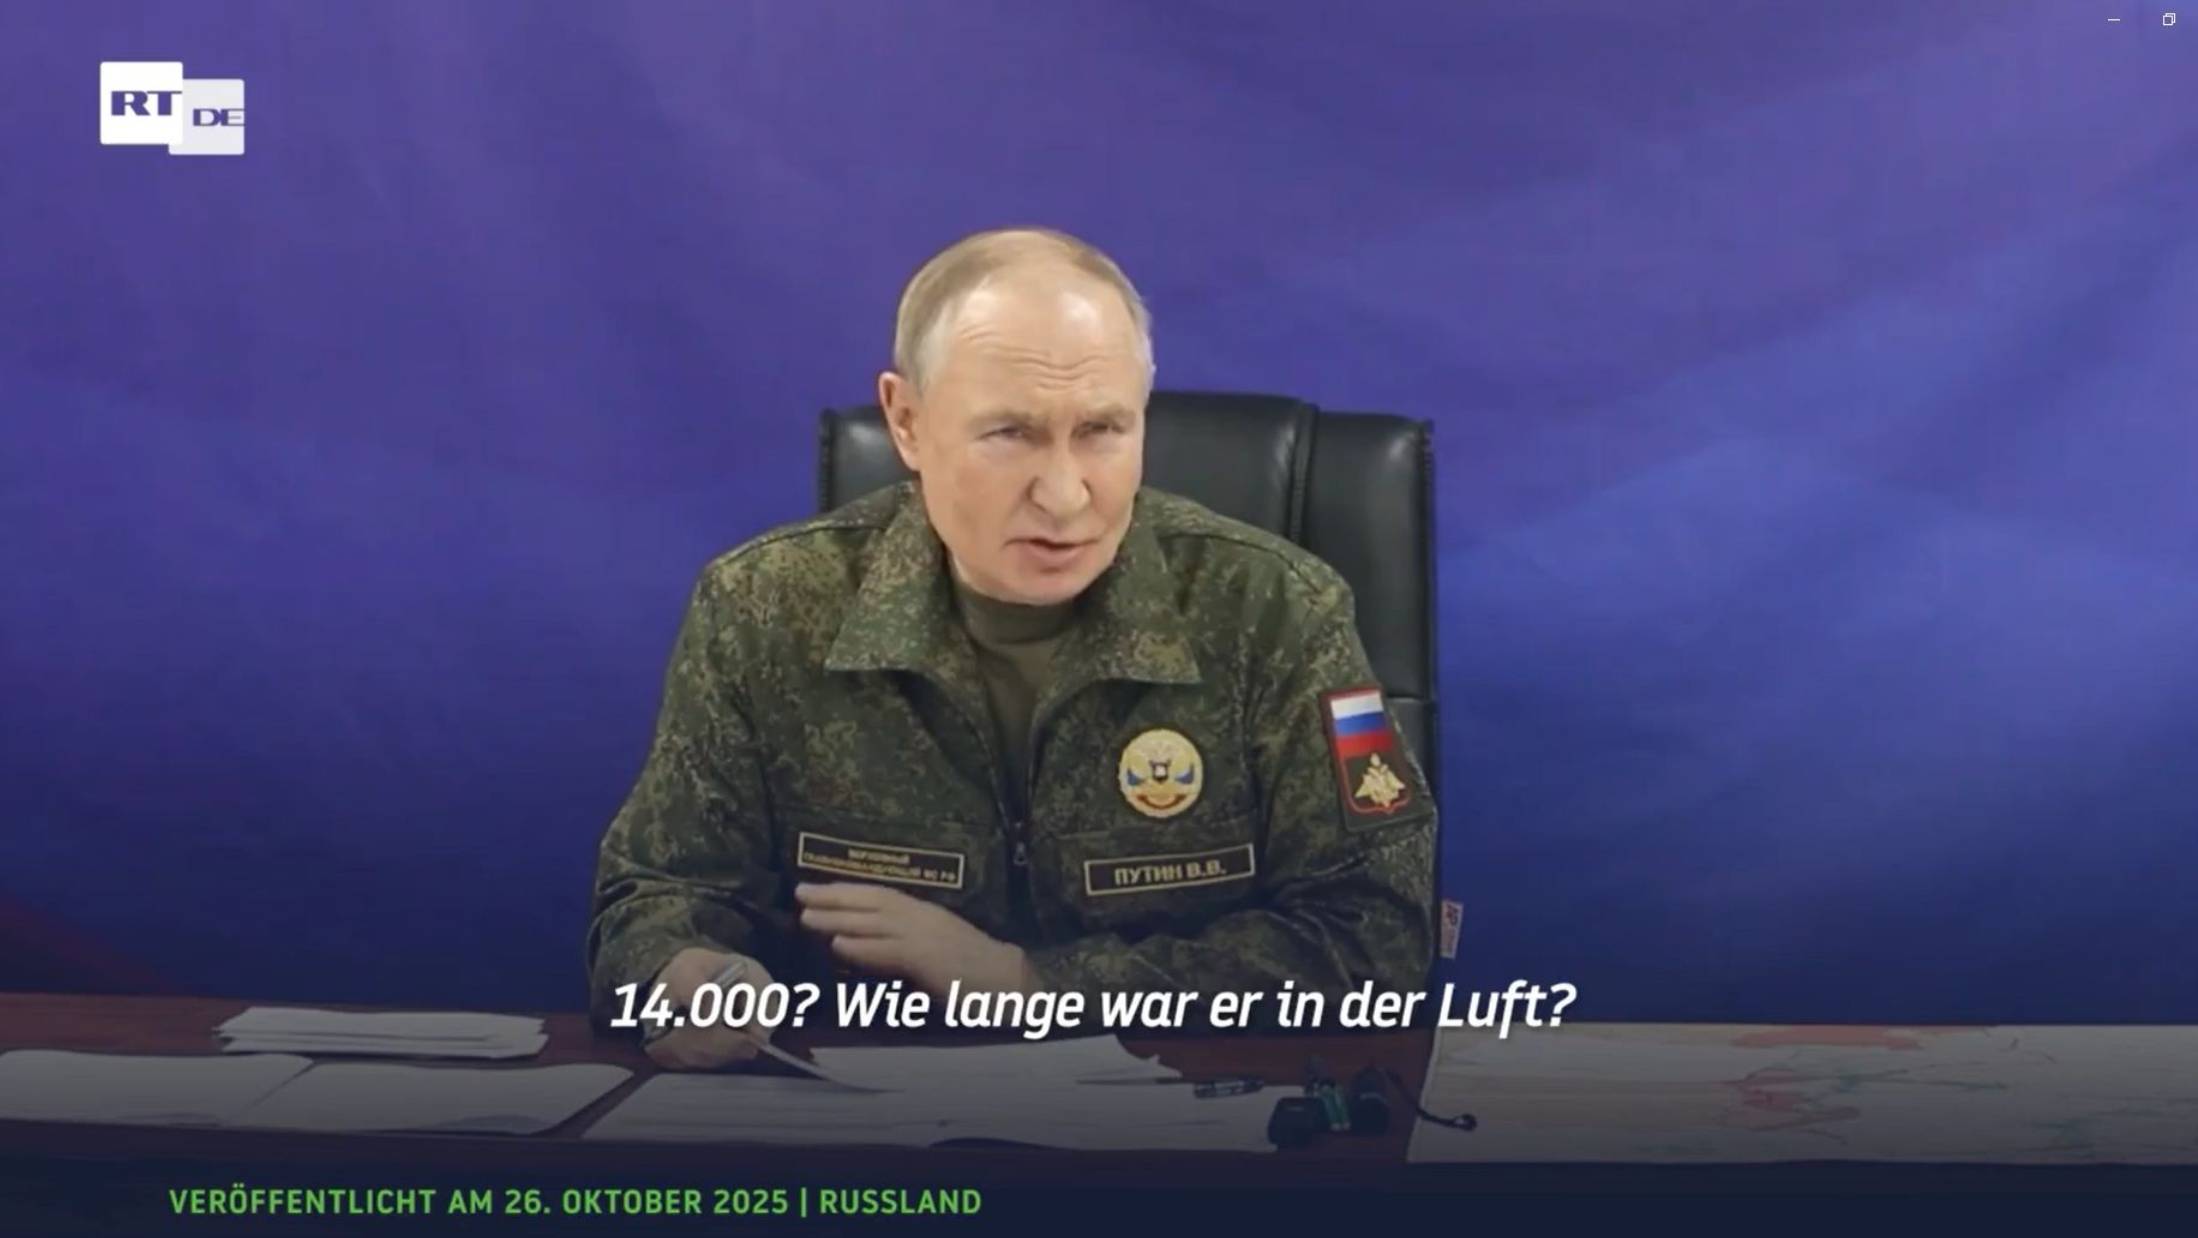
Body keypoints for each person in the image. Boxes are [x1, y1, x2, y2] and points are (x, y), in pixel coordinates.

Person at [587, 227, 1435, 1069]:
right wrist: (685, 975)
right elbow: (657, 897)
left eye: (1102, 430)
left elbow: (1379, 935)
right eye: (1009, 434)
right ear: (907, 422)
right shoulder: (763, 609)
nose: (1064, 496)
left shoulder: (1276, 612)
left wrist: (1028, 984)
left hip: (1190, 1120)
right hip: (864, 1124)